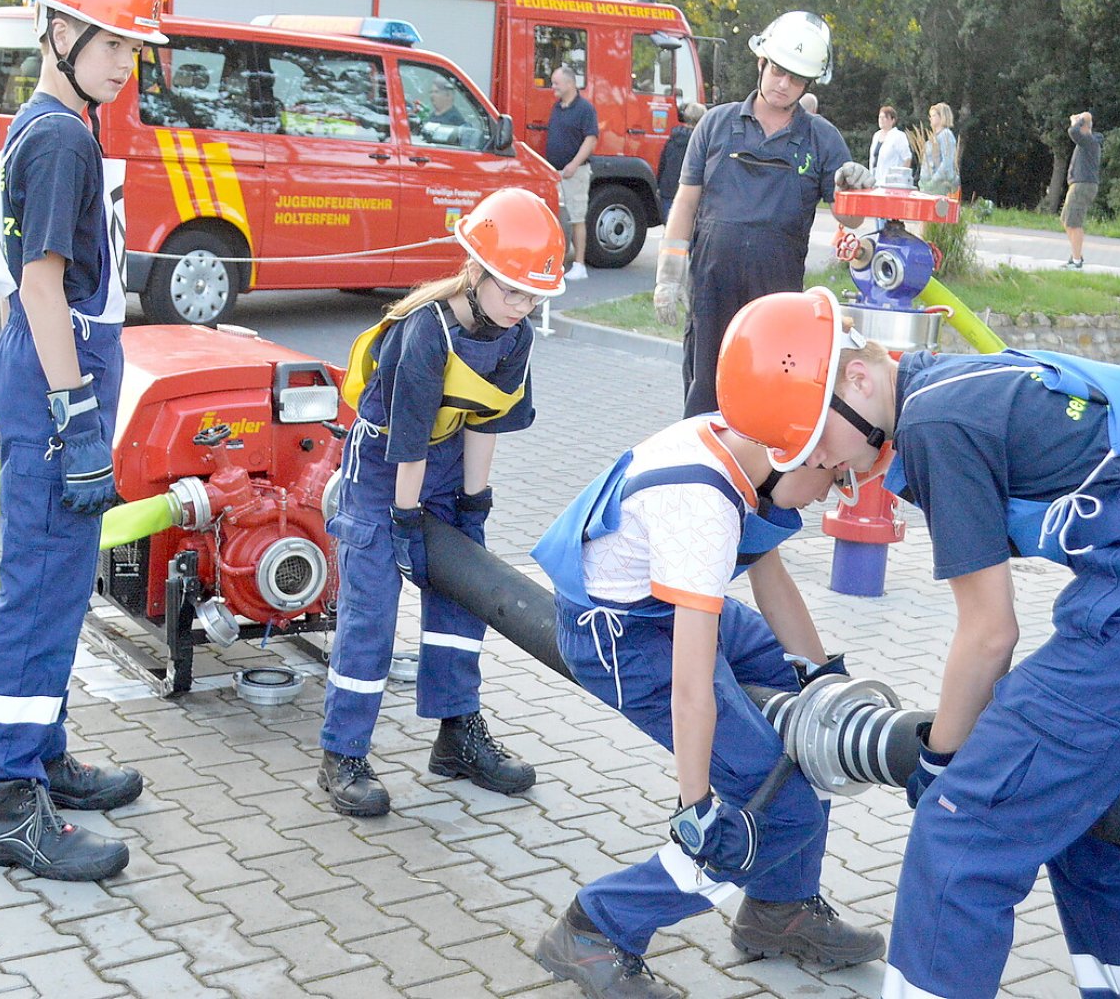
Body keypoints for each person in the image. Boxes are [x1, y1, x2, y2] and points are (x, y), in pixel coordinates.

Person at [717, 287, 1120, 999]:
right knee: (1089, 829)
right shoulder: (951, 388)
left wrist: (940, 762)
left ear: (858, 378)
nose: (828, 467)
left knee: (962, 833)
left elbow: (988, 634)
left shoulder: (933, 424)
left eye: (816, 443)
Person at [529, 318, 886, 997]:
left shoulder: (747, 439)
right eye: (837, 475)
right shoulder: (700, 505)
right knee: (773, 807)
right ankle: (596, 928)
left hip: (670, 610)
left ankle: (778, 911)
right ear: (802, 453)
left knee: (821, 735)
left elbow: (768, 574)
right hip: (626, 638)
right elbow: (690, 688)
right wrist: (696, 807)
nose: (833, 491)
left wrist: (819, 683)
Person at [0, 0, 169, 884]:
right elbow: (41, 289)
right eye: (113, 44)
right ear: (60, 30)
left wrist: (29, 390)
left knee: (58, 583)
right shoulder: (58, 137)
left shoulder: (51, 125)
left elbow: (18, 290)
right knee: (42, 592)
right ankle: (6, 802)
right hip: (62, 385)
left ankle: (42, 756)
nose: (125, 65)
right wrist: (71, 414)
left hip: (46, 377)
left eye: (133, 49)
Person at [318, 187, 563, 816]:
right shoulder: (425, 331)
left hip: (449, 462)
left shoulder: (515, 335)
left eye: (533, 295)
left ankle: (457, 737)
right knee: (372, 610)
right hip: (384, 468)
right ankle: (342, 753)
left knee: (462, 599)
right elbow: (405, 441)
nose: (521, 306)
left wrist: (473, 507)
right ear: (476, 271)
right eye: (511, 290)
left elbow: (486, 418)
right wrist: (402, 523)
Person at [652, 9, 864, 418]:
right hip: (711, 291)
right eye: (778, 71)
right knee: (704, 395)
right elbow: (685, 205)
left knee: (767, 398)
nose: (784, 85)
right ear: (761, 61)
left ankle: (762, 481)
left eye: (797, 78)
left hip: (778, 298)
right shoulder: (715, 125)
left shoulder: (822, 139)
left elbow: (849, 219)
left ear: (809, 83)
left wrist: (853, 191)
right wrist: (667, 278)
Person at [547, 66, 599, 281]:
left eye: (556, 83)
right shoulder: (557, 108)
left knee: (577, 217)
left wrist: (573, 165)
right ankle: (558, 260)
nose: (553, 88)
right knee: (558, 218)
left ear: (570, 84)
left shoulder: (585, 109)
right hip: (556, 173)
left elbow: (591, 139)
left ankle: (579, 265)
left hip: (574, 174)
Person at [1061, 111, 1103, 270]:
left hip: (1082, 185)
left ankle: (1077, 261)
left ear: (1085, 127)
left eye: (1080, 125)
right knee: (1066, 220)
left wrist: (1077, 120)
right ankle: (1076, 255)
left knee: (1074, 222)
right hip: (1079, 184)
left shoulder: (1089, 141)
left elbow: (1073, 131)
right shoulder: (1087, 142)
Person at [656, 102, 702, 224]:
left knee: (672, 234)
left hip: (668, 190)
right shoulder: (700, 142)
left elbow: (663, 163)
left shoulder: (673, 137)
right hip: (690, 194)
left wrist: (659, 186)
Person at [920, 102, 959, 197]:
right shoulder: (933, 136)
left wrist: (933, 181)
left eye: (933, 115)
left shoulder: (946, 135)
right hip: (927, 187)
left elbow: (947, 163)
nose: (930, 118)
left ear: (942, 117)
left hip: (938, 187)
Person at [869, 105, 912, 185]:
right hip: (875, 181)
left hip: (891, 183)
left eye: (884, 117)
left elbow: (907, 158)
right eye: (880, 117)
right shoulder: (876, 135)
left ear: (892, 120)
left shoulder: (898, 136)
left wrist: (900, 178)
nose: (881, 120)